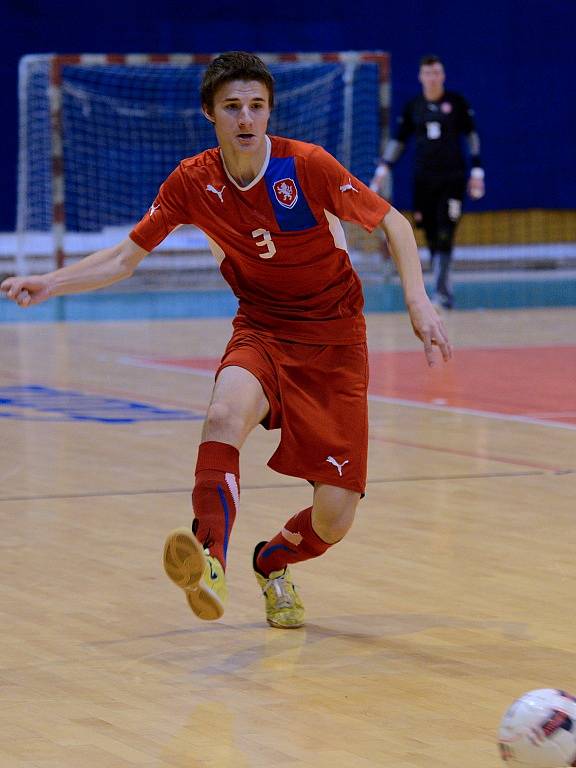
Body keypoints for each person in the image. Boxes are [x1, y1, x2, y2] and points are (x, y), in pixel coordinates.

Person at [2, 51, 451, 629]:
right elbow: (124, 256)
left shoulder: (305, 166)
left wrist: (418, 299)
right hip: (261, 327)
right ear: (210, 115)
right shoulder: (193, 181)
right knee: (221, 417)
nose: (246, 118)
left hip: (335, 338)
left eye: (257, 107)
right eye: (233, 107)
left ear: (270, 113)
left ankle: (272, 561)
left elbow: (393, 221)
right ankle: (211, 559)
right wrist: (51, 282)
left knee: (335, 517)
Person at [370, 54, 485, 309]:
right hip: (423, 182)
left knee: (446, 232)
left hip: (452, 179)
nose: (433, 78)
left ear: (442, 76)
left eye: (437, 73)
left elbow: (471, 135)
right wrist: (383, 169)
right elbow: (398, 142)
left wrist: (477, 172)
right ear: (421, 77)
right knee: (432, 234)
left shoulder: (456, 103)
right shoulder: (414, 107)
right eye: (428, 73)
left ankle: (443, 293)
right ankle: (441, 286)